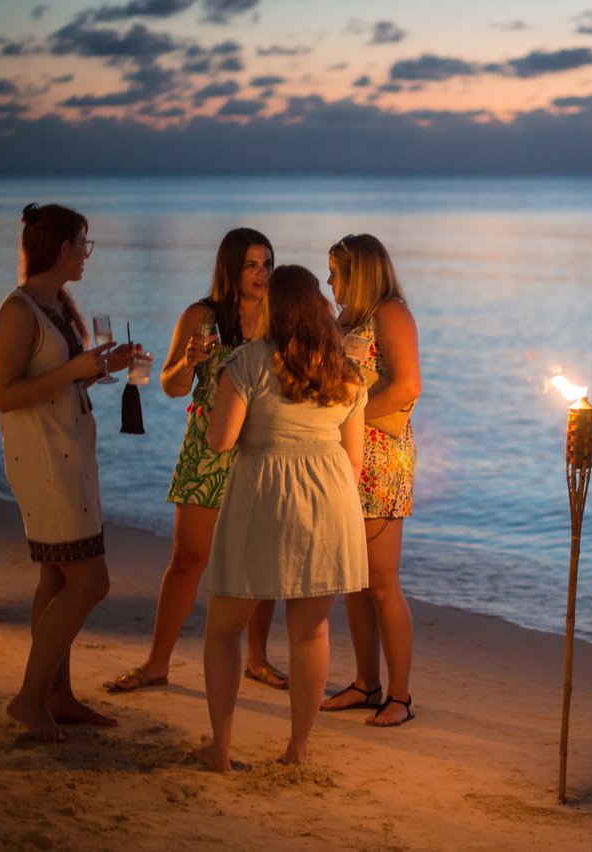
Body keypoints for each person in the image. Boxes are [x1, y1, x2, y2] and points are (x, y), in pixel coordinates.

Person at [192, 264, 368, 770]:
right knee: (311, 631)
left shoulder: (248, 361)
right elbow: (354, 461)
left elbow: (221, 440)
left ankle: (221, 750)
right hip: (328, 494)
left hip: (263, 493)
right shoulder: (347, 371)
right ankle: (297, 750)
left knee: (225, 629)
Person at [107, 228, 287, 693]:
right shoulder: (201, 316)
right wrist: (188, 360)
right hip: (207, 449)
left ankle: (258, 659)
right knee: (189, 558)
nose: (261, 274)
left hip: (262, 449)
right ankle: (157, 662)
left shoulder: (278, 317)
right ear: (231, 268)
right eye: (251, 265)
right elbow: (170, 384)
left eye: (266, 264)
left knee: (262, 561)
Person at [0, 202, 139, 742]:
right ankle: (29, 698)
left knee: (55, 578)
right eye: (84, 243)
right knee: (91, 581)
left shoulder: (55, 303)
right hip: (45, 463)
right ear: (62, 249)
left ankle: (57, 695)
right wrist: (74, 369)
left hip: (71, 454)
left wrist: (100, 367)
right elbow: (5, 395)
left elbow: (57, 380)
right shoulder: (18, 311)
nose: (87, 254)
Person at [319, 234, 420, 727]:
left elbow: (408, 385)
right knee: (353, 582)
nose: (330, 280)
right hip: (344, 456)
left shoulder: (390, 313)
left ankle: (399, 696)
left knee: (380, 581)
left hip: (380, 459)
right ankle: (365, 683)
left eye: (336, 272)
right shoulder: (345, 319)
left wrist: (350, 420)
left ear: (359, 272)